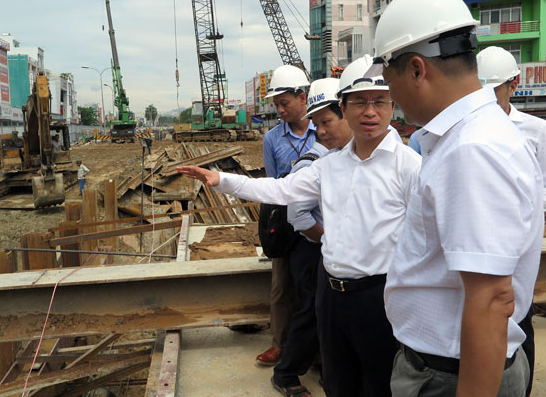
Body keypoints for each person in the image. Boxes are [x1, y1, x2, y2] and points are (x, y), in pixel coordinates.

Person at [178, 54, 421, 397]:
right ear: (346, 107)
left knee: (379, 382)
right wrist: (219, 179)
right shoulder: (330, 166)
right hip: (331, 293)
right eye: (359, 102)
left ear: (392, 106)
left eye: (379, 102)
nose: (370, 112)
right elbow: (279, 189)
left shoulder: (410, 167)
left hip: (378, 298)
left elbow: (425, 240)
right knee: (338, 382)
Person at [368, 0, 544, 395]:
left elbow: (492, 300)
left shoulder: (472, 149)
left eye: (387, 81)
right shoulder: (468, 138)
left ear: (416, 69)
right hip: (446, 367)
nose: (390, 97)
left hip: (452, 377)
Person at [272, 78, 351, 397]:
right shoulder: (315, 162)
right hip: (310, 248)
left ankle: (326, 370)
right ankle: (287, 371)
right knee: (311, 311)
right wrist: (326, 240)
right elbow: (296, 214)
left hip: (328, 250)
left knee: (326, 312)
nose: (322, 130)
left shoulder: (348, 158)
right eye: (320, 123)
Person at [477, 45, 546, 397]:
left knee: (519, 317)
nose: (487, 98)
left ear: (514, 84)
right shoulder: (466, 130)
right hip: (482, 236)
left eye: (495, 89)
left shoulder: (534, 130)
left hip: (521, 242)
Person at [257, 64, 316, 366]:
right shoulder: (272, 139)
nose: (279, 110)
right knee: (281, 285)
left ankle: (315, 350)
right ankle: (280, 344)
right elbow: (271, 183)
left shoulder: (324, 129)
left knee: (312, 284)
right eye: (276, 105)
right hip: (284, 221)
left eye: (284, 103)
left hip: (316, 219)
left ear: (303, 97)